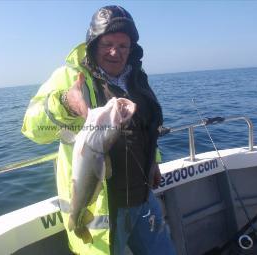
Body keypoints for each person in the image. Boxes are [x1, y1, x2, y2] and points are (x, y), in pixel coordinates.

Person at [22, 5, 175, 255]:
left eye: (123, 46)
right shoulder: (70, 77)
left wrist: (154, 161)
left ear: (132, 48)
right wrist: (64, 103)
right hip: (104, 208)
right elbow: (31, 128)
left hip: (143, 196)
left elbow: (147, 127)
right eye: (107, 44)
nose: (115, 52)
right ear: (93, 43)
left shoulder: (138, 77)